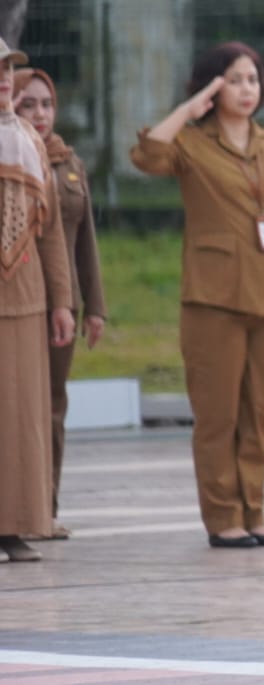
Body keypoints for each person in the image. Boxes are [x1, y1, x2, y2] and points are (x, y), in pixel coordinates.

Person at [129, 41, 264, 549]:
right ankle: (223, 517)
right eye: (233, 79)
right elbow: (147, 155)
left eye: (252, 79)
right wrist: (190, 110)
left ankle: (256, 512)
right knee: (218, 415)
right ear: (212, 85)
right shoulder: (191, 143)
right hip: (213, 298)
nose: (246, 89)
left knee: (258, 411)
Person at [15, 67, 108, 540]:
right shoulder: (14, 156)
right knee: (19, 406)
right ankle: (19, 506)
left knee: (52, 405)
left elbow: (84, 240)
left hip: (61, 303)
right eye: (27, 104)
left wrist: (93, 306)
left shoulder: (68, 162)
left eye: (46, 103)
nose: (40, 114)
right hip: (18, 301)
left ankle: (46, 508)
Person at [0, 39, 75, 565]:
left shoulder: (26, 137)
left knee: (24, 413)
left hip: (25, 295)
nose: (6, 77)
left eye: (8, 69)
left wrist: (62, 302)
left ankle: (18, 523)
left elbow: (50, 235)